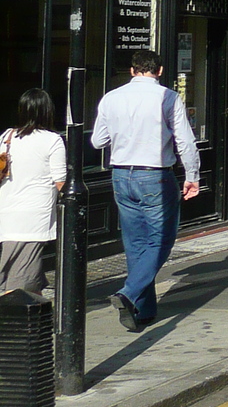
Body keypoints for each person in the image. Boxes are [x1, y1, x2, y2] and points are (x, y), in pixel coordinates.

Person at [91, 49, 201, 331]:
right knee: (162, 239)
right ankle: (128, 293)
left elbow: (97, 140)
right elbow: (185, 142)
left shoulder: (111, 98)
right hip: (155, 176)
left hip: (121, 175)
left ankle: (144, 310)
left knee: (136, 243)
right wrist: (192, 176)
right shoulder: (168, 97)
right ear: (160, 71)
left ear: (132, 70)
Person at [0, 90, 67, 294]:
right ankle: (18, 318)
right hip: (34, 218)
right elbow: (60, 182)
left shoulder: (7, 136)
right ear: (48, 111)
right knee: (21, 279)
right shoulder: (52, 140)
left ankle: (36, 309)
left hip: (7, 213)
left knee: (24, 270)